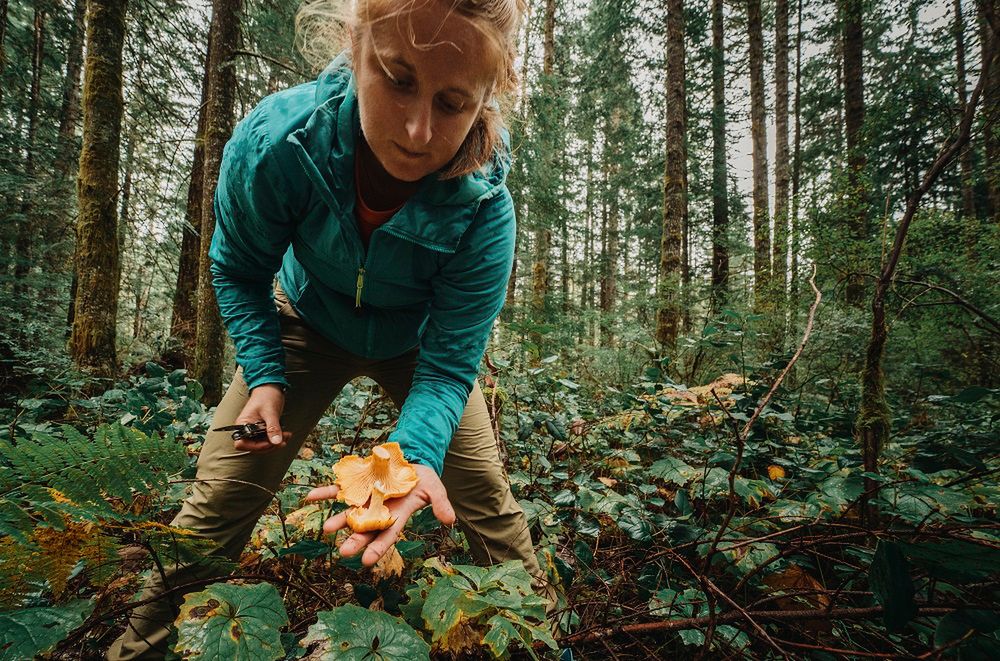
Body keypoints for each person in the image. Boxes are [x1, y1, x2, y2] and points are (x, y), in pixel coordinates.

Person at [107, 0, 544, 658]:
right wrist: (265, 374)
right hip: (304, 320)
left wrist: (412, 457)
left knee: (483, 494)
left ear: (489, 94)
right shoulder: (280, 143)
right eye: (398, 79)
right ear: (355, 42)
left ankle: (541, 639)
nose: (420, 131)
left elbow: (451, 365)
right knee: (222, 491)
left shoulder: (483, 204)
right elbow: (237, 266)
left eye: (453, 103)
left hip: (418, 348)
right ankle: (134, 647)